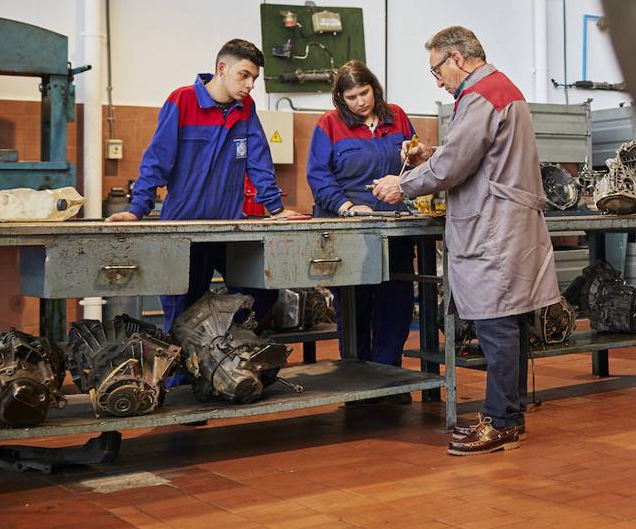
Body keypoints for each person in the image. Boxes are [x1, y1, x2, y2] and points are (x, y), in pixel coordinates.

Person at [373, 26, 560, 455]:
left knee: (497, 325)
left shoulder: (481, 95)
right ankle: (507, 417)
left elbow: (455, 166)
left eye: (436, 69)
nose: (437, 79)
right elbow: (473, 156)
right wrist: (430, 155)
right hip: (504, 223)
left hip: (495, 228)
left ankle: (502, 422)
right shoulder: (499, 90)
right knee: (508, 322)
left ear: (456, 58)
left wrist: (401, 186)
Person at [107, 39, 305, 331]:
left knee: (263, 291)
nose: (250, 85)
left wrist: (276, 210)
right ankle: (182, 375)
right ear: (222, 68)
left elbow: (259, 161)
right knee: (182, 313)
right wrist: (137, 209)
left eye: (254, 79)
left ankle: (223, 346)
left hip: (229, 230)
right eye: (244, 75)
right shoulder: (182, 101)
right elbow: (157, 161)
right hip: (183, 230)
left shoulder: (245, 109)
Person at [307, 61, 417, 390]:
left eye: (364, 93)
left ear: (375, 89)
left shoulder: (396, 117)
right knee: (354, 303)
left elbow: (414, 162)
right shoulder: (329, 125)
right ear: (341, 99)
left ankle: (388, 378)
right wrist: (347, 206)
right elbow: (318, 175)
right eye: (351, 96)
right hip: (348, 229)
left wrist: (415, 163)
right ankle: (357, 380)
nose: (360, 102)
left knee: (395, 301)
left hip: (394, 225)